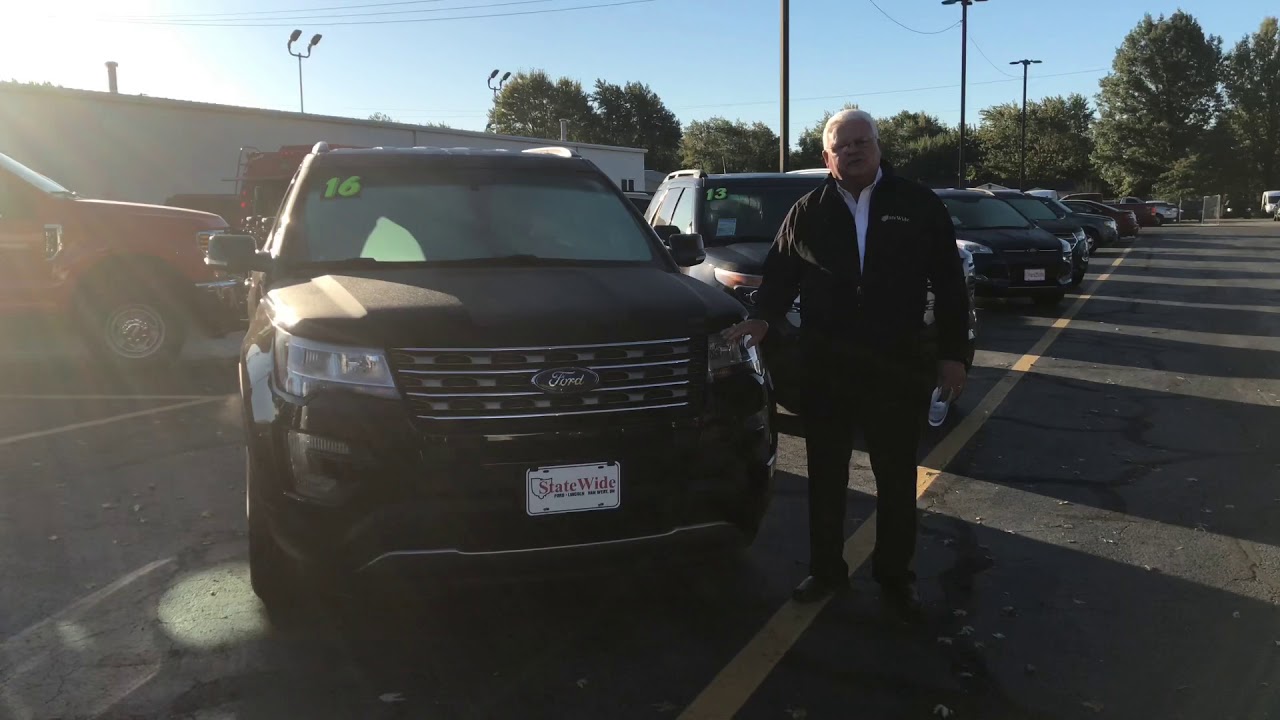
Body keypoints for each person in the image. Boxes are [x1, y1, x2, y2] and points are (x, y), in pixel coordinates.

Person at [722, 109, 970, 614]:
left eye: (862, 141)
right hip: (828, 366)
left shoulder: (917, 204)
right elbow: (780, 276)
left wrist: (953, 355)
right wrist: (762, 318)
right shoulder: (807, 210)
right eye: (842, 145)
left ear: (878, 147)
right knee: (826, 474)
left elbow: (948, 284)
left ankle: (895, 575)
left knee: (897, 477)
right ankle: (825, 571)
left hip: (896, 365)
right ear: (826, 156)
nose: (853, 151)